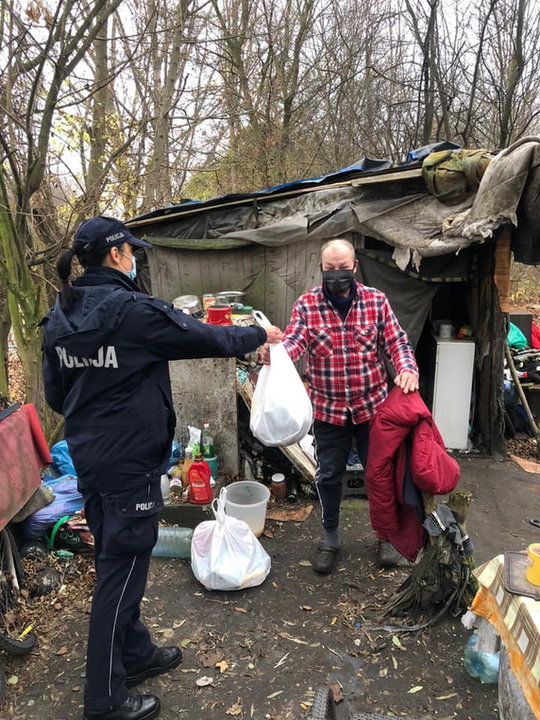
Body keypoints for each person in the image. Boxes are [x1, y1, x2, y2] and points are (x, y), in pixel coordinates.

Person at [41, 216, 282, 720]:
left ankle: (135, 653)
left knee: (119, 554)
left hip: (92, 457)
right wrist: (257, 333)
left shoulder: (60, 317)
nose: (135, 258)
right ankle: (104, 701)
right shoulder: (130, 311)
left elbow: (56, 397)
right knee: (121, 570)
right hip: (128, 462)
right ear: (116, 255)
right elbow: (204, 338)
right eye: (132, 250)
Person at [259, 238, 418, 574]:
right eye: (329, 269)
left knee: (380, 474)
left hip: (372, 407)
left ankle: (386, 536)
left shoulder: (376, 301)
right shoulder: (307, 305)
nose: (336, 274)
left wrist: (406, 368)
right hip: (328, 411)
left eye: (342, 268)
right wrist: (271, 355)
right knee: (328, 476)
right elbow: (294, 343)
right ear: (321, 269)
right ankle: (330, 538)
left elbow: (396, 340)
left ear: (354, 267)